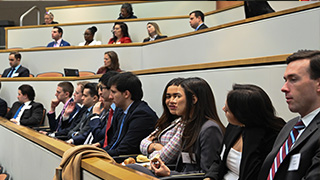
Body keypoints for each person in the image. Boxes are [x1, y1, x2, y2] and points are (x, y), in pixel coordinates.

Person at [128, 77, 225, 178]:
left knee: (132, 169)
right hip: (178, 175)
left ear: (193, 99)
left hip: (182, 177)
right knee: (130, 168)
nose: (173, 101)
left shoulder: (209, 129)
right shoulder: (188, 124)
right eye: (170, 97)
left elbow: (207, 174)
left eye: (178, 96)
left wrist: (170, 174)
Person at [258, 50, 320, 180]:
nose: (284, 88)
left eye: (293, 79)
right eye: (285, 80)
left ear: (318, 84)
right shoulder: (290, 126)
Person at [204, 84, 285, 180]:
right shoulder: (234, 126)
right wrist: (210, 177)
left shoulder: (272, 137)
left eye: (228, 110)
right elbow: (218, 159)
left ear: (242, 115)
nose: (223, 109)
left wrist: (252, 136)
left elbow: (252, 174)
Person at [94, 72, 158, 156]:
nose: (110, 96)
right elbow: (113, 143)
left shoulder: (142, 115)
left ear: (126, 94)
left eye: (114, 92)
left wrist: (95, 154)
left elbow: (125, 150)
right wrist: (93, 152)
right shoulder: (123, 111)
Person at [139, 78, 184, 164]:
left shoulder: (183, 123)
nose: (171, 101)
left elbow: (163, 157)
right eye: (168, 96)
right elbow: (142, 143)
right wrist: (156, 146)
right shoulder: (166, 121)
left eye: (176, 96)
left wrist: (152, 148)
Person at [85, 71, 119, 145]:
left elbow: (99, 136)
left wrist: (95, 116)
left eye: (102, 88)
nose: (100, 93)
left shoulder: (118, 111)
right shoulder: (109, 111)